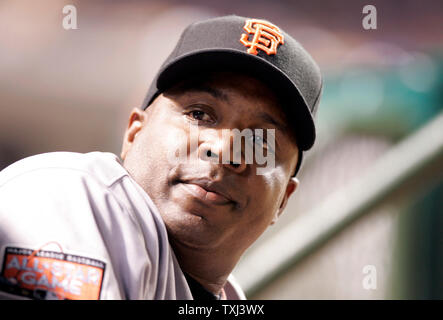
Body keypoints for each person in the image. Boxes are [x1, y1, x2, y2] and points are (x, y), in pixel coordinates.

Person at [0, 15, 322, 300]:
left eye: (260, 142)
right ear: (133, 133)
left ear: (283, 200)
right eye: (199, 114)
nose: (224, 151)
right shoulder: (68, 197)